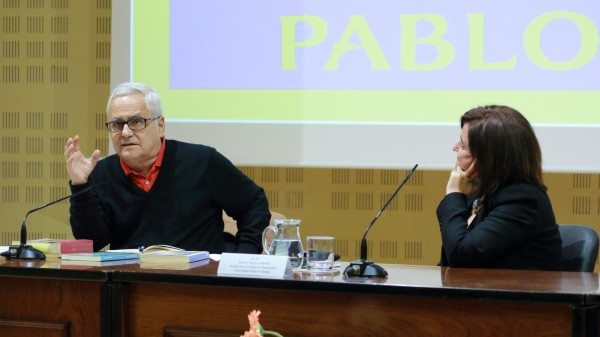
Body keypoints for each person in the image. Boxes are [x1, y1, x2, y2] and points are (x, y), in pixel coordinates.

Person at [64, 82, 270, 253]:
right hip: (132, 285)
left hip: (202, 283)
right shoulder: (101, 173)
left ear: (160, 125)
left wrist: (242, 258)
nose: (125, 132)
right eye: (117, 124)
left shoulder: (202, 161)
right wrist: (80, 186)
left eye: (136, 121)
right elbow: (92, 243)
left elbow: (254, 204)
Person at [437, 105, 562, 271]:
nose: (455, 147)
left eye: (463, 145)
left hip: (515, 296)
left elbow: (461, 254)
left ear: (487, 157)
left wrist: (454, 194)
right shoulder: (482, 192)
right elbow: (450, 257)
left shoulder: (522, 200)